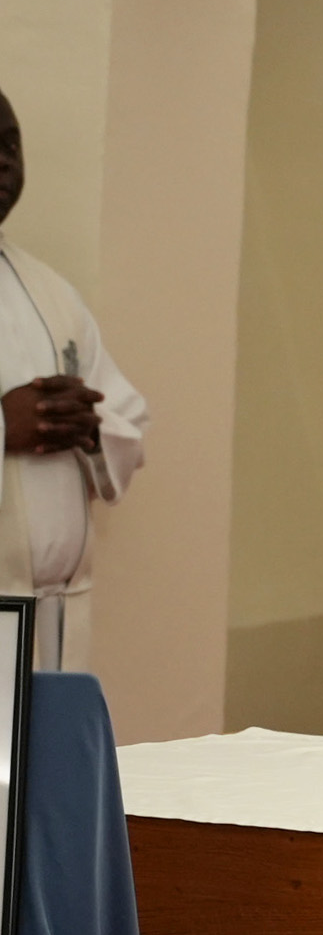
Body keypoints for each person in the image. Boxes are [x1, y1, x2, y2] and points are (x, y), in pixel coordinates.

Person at [0, 85, 147, 667]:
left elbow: (126, 413)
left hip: (55, 617)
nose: (4, 160)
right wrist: (4, 425)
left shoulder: (50, 290)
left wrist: (89, 425)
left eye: (11, 144)